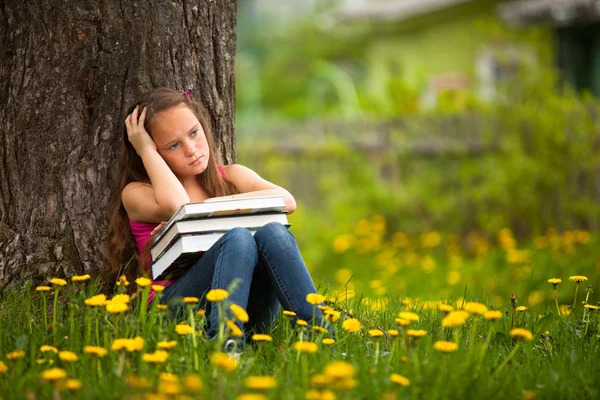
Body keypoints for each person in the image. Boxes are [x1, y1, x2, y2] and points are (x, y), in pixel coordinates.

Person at [107, 87, 330, 346]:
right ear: (154, 153)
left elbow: (286, 201)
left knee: (274, 231)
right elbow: (177, 204)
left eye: (194, 133)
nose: (191, 149)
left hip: (247, 306)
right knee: (238, 238)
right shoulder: (138, 193)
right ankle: (227, 345)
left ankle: (321, 336)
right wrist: (146, 150)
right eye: (173, 145)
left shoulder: (231, 177)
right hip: (177, 311)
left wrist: (211, 205)